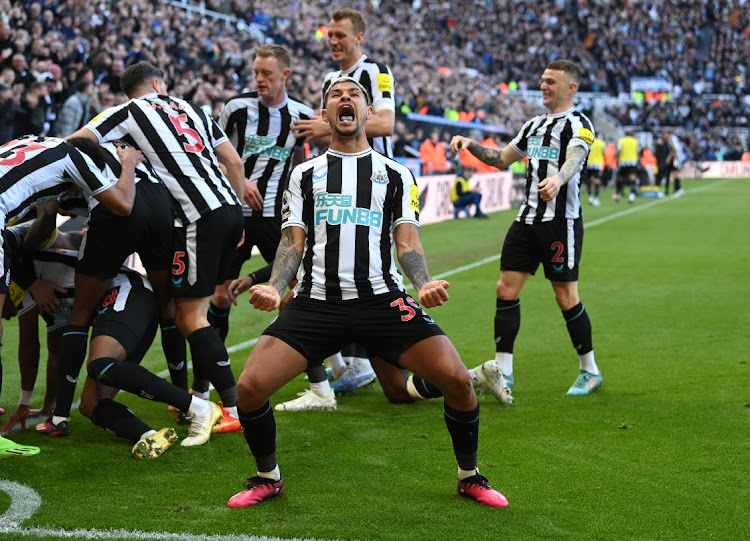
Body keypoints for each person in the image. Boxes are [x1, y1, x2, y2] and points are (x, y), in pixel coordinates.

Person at [226, 77, 508, 508]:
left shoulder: (396, 175)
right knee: (249, 387)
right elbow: (292, 242)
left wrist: (423, 283)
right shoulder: (304, 175)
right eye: (336, 95)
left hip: (382, 300)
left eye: (354, 94)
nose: (345, 99)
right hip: (317, 304)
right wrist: (274, 285)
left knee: (456, 380)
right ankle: (268, 477)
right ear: (325, 116)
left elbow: (407, 241)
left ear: (367, 113)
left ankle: (469, 476)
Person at [66, 62, 245, 432]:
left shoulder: (127, 111)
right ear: (159, 83)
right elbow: (233, 161)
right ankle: (198, 394)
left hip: (197, 216)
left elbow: (77, 141)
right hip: (230, 208)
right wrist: (237, 213)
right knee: (210, 303)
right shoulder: (195, 109)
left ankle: (232, 409)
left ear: (129, 91)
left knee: (188, 317)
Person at [449, 59, 602, 396]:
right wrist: (470, 144)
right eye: (543, 80)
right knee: (505, 289)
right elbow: (502, 158)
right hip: (526, 220)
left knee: (565, 296)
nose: (544, 85)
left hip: (560, 223)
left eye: (551, 81)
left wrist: (559, 179)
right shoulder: (532, 125)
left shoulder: (579, 124)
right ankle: (503, 369)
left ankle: (589, 369)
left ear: (570, 88)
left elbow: (576, 157)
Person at [38, 139, 187, 437]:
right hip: (161, 207)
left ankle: (59, 417)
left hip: (118, 207)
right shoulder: (135, 148)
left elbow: (61, 210)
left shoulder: (78, 164)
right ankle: (184, 404)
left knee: (79, 315)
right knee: (168, 311)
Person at [289, 8, 399, 403]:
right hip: (335, 181)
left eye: (340, 34)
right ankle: (352, 365)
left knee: (370, 270)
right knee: (329, 266)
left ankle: (373, 361)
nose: (333, 41)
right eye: (329, 35)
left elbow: (386, 124)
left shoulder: (376, 72)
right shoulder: (328, 80)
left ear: (359, 38)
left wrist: (324, 127)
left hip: (374, 183)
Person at [206, 44, 313, 353]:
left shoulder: (302, 115)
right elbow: (213, 156)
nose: (259, 79)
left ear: (285, 75)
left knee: (295, 287)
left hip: (275, 218)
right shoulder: (236, 108)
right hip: (234, 215)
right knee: (220, 295)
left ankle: (293, 360)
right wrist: (241, 180)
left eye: (266, 73)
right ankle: (207, 379)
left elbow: (302, 163)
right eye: (256, 73)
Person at [616, 131, 639, 203]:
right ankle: (632, 195)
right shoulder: (635, 141)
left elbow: (618, 151)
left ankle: (619, 193)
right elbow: (638, 152)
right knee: (632, 177)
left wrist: (616, 158)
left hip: (623, 162)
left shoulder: (621, 140)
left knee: (620, 177)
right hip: (632, 161)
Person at [585, 136, 605, 206]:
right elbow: (604, 153)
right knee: (597, 181)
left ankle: (590, 196)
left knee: (588, 180)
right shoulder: (601, 143)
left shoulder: (588, 141)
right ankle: (596, 198)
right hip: (597, 164)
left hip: (588, 163)